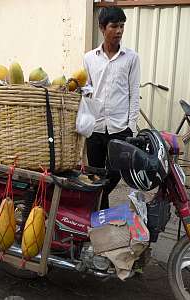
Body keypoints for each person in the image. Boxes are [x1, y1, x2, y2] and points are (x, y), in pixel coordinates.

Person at [83, 6, 140, 210]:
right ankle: (100, 222)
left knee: (116, 173)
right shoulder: (89, 58)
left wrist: (131, 126)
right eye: (114, 26)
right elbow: (87, 91)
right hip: (96, 127)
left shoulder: (131, 58)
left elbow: (134, 93)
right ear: (102, 28)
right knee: (96, 174)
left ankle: (93, 199)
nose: (119, 31)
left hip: (120, 128)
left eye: (122, 26)